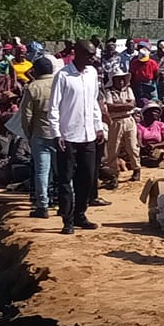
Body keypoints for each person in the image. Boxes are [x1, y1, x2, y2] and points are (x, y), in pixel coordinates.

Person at [46, 40, 107, 234]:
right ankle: (68, 219)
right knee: (65, 179)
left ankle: (81, 214)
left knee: (88, 177)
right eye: (88, 55)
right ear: (77, 54)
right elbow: (53, 107)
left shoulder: (92, 74)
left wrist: (99, 127)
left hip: (88, 135)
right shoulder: (63, 76)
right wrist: (57, 133)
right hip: (68, 136)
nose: (92, 58)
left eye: (93, 55)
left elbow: (94, 102)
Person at [19, 56, 58, 219]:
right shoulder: (59, 85)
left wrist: (29, 134)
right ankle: (67, 203)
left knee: (42, 171)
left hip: (39, 133)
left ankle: (42, 206)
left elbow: (26, 115)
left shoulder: (32, 87)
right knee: (63, 170)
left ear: (36, 70)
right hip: (60, 134)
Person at [101, 71, 142, 184]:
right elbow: (110, 107)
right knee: (113, 148)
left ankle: (136, 169)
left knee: (132, 146)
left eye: (123, 79)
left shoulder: (128, 89)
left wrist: (119, 106)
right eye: (118, 79)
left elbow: (132, 104)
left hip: (129, 119)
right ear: (113, 80)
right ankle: (113, 174)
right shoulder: (108, 91)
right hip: (115, 121)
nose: (121, 81)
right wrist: (125, 105)